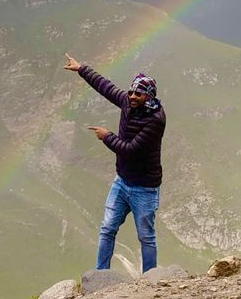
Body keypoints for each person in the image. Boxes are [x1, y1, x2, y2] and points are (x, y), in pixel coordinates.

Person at [64, 53, 166, 273]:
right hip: (122, 182)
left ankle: (151, 279)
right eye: (130, 92)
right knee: (107, 228)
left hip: (145, 188)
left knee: (146, 237)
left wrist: (106, 136)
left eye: (137, 93)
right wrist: (81, 69)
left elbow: (130, 150)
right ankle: (101, 275)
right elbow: (106, 87)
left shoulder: (155, 121)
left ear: (148, 96)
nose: (131, 96)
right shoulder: (127, 104)